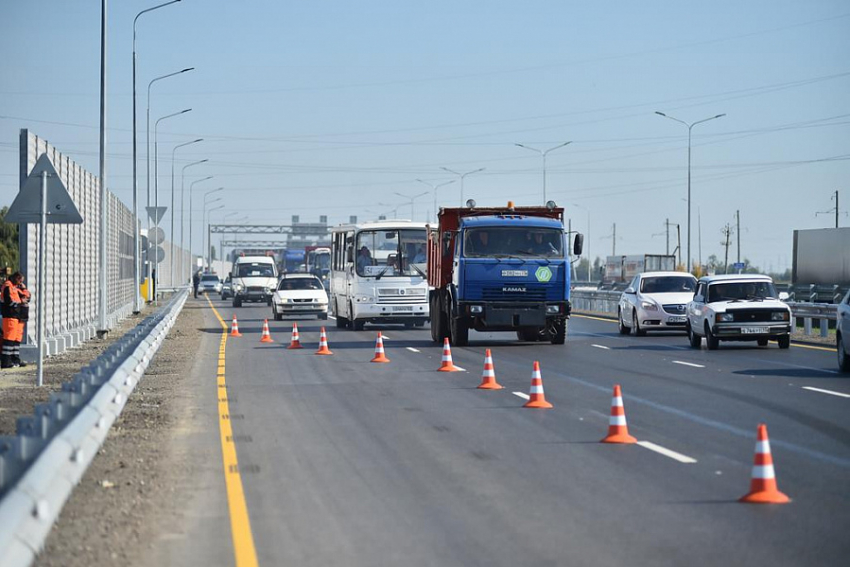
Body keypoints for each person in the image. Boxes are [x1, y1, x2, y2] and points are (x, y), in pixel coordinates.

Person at [2, 272, 28, 368]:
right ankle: (6, 361)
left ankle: (15, 360)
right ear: (16, 278)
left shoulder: (16, 287)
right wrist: (20, 302)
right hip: (10, 315)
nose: (20, 282)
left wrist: (24, 288)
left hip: (17, 316)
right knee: (9, 339)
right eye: (20, 280)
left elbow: (27, 297)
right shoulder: (8, 286)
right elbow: (8, 301)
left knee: (16, 339)